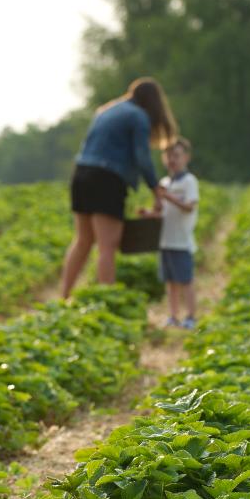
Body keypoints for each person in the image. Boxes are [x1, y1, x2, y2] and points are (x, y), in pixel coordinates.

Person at [59, 77, 179, 298]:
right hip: (106, 179)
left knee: (83, 240)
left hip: (81, 174)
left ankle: (63, 297)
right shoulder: (139, 117)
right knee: (108, 245)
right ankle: (108, 301)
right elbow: (142, 158)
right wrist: (156, 190)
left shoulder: (107, 110)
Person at [155, 138, 200, 329]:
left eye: (177, 155)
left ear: (186, 158)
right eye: (168, 156)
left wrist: (168, 196)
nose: (172, 159)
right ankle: (173, 316)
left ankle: (190, 317)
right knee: (171, 282)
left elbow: (189, 206)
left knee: (185, 281)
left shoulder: (189, 181)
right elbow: (160, 210)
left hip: (182, 241)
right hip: (165, 241)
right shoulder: (164, 182)